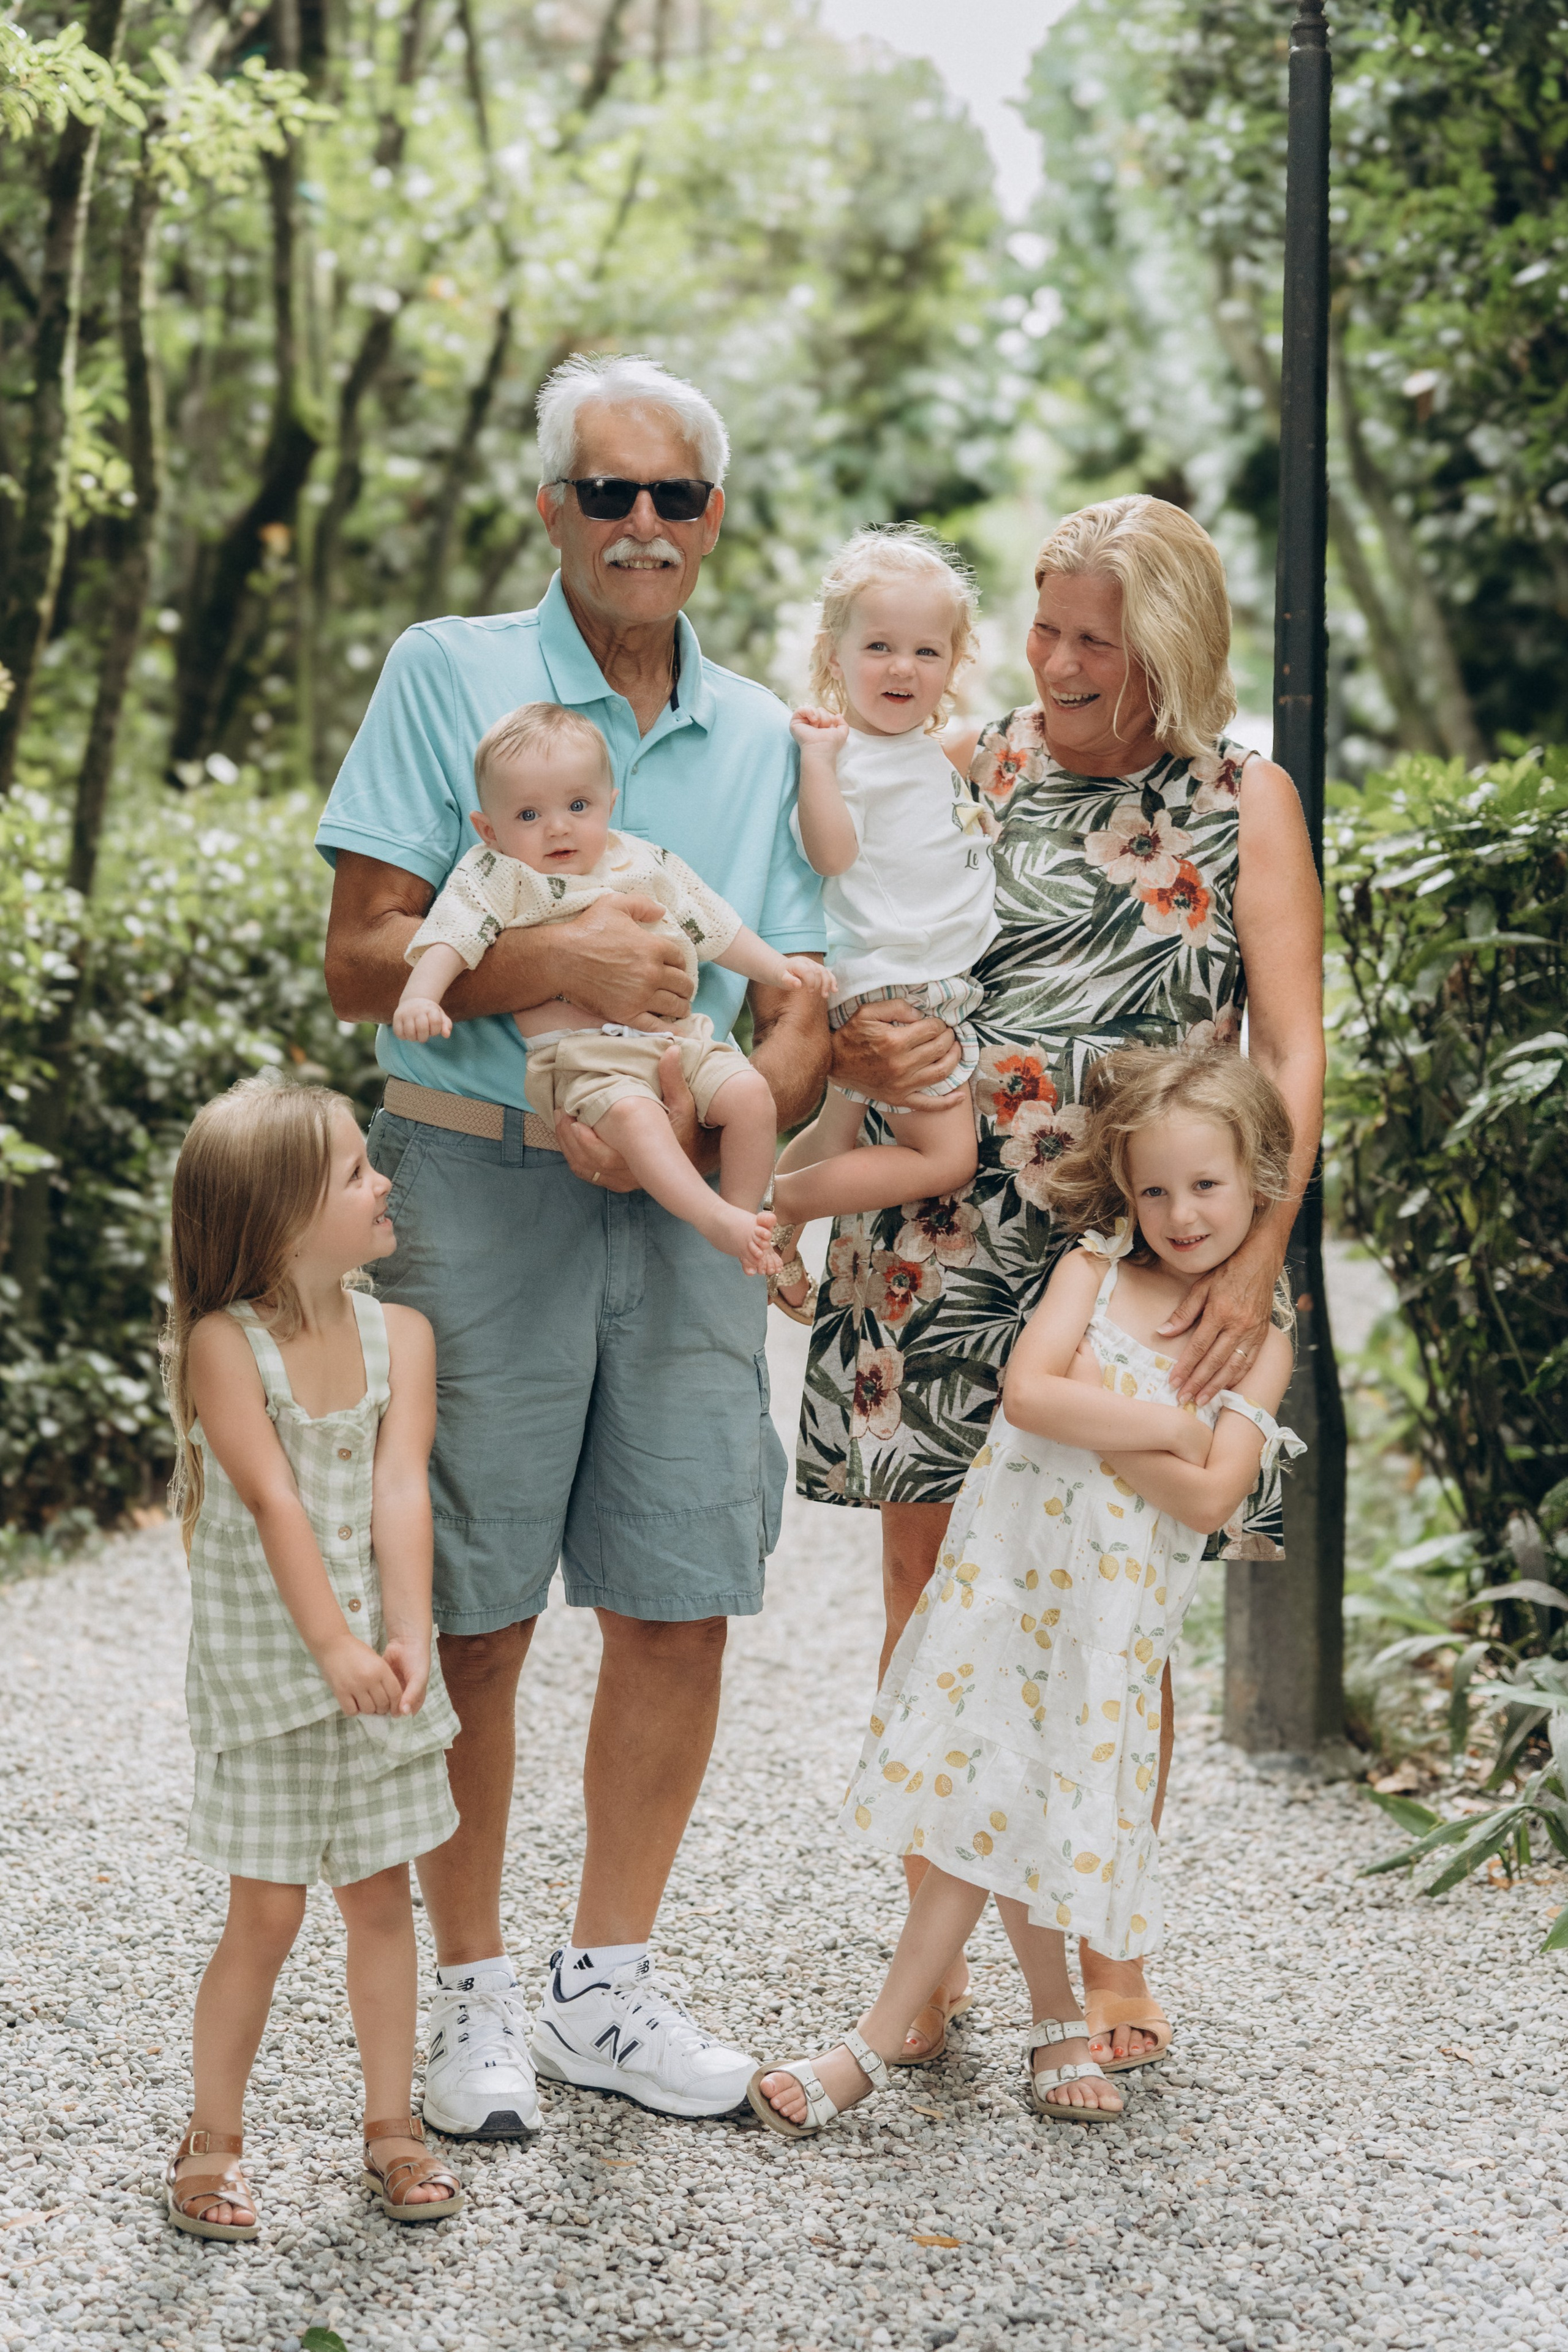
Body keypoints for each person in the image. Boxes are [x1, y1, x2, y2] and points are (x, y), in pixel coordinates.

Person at [318, 353, 831, 2131]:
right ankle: (469, 2007)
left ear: (709, 519)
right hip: (475, 1189)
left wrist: (727, 1108)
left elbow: (803, 994)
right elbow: (364, 956)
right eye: (602, 492)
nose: (637, 525)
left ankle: (602, 1990)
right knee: (470, 1608)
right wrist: (566, 971)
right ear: (553, 508)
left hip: (685, 1204)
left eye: (670, 497)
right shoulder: (449, 671)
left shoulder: (765, 730)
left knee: (681, 1590)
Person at [797, 495, 1326, 2073]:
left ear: (1171, 642)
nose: (1059, 659)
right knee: (929, 1594)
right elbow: (854, 945)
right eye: (1044, 624)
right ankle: (938, 1947)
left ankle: (1108, 1945)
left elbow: (1289, 1046)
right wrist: (843, 1047)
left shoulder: (1244, 797)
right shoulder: (971, 761)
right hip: (939, 1233)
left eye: (1098, 635)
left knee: (1121, 1609)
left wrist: (1259, 1248)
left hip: (1143, 1251)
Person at [750, 1047, 1303, 2137]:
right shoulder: (1094, 1269)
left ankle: (1005, 2028)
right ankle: (902, 2042)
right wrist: (1172, 1423)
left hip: (1107, 1630)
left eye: (1206, 1187)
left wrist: (1125, 1420)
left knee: (1027, 1810)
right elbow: (1031, 1394)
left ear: (1259, 1184)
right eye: (1155, 1189)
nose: (1181, 1215)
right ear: (1124, 1191)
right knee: (984, 1801)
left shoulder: (1259, 1342)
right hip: (1007, 1593)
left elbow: (1209, 1503)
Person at [161, 1077, 465, 2239]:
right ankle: (213, 2140)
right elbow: (275, 1501)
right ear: (282, 1220)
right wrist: (331, 1643)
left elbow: (400, 1488)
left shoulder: (405, 1336)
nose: (383, 1179)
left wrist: (405, 1629)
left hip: (371, 1675)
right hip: (275, 1676)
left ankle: (392, 2128)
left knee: (383, 1902)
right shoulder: (224, 1349)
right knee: (268, 1915)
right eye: (353, 1172)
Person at [394, 700, 833, 1272]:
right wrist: (421, 995)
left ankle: (744, 1216)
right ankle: (713, 1218)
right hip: (587, 1061)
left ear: (609, 805)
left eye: (579, 806)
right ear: (489, 829)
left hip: (683, 1039)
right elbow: (453, 934)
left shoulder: (642, 860)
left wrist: (780, 970)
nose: (558, 827)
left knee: (750, 1095)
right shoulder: (499, 874)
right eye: (528, 815)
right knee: (634, 1116)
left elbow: (714, 923)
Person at [767, 527, 997, 1300]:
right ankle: (785, 1206)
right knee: (944, 1158)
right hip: (899, 985)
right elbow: (829, 855)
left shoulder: (924, 751)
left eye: (927, 652)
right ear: (835, 655)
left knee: (834, 1133)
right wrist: (816, 763)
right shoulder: (844, 758)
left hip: (911, 973)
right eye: (879, 647)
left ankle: (757, 1225)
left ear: (954, 666)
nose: (903, 667)